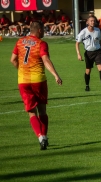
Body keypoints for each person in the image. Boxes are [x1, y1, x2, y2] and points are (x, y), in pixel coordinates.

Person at [10, 21, 62, 150]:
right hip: (38, 80)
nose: (44, 32)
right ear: (39, 30)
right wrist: (56, 75)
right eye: (43, 30)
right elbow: (45, 60)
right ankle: (44, 136)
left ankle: (40, 137)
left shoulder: (20, 42)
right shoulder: (41, 43)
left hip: (23, 81)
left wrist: (21, 70)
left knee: (31, 113)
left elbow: (13, 60)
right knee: (42, 110)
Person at [75, 16, 101, 92]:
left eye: (93, 21)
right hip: (88, 53)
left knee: (100, 68)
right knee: (88, 70)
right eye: (91, 21)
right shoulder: (83, 32)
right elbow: (77, 43)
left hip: (97, 52)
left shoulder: (97, 30)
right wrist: (78, 54)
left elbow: (99, 41)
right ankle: (87, 86)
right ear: (87, 22)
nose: (92, 22)